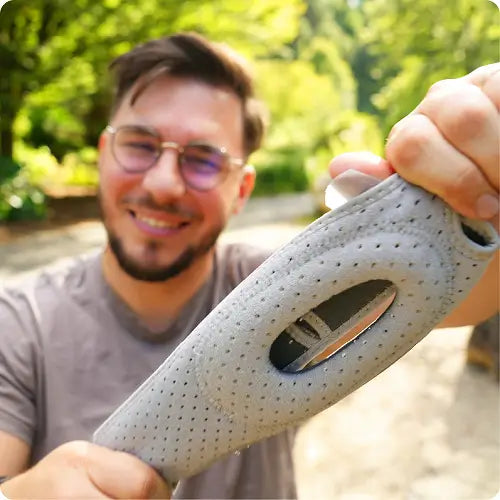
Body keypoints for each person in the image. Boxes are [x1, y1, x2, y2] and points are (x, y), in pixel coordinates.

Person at [0, 32, 498, 499]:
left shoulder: (276, 283)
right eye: (139, 144)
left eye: (203, 159)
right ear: (102, 154)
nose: (164, 183)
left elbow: (444, 295)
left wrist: (470, 208)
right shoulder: (18, 324)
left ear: (241, 189)